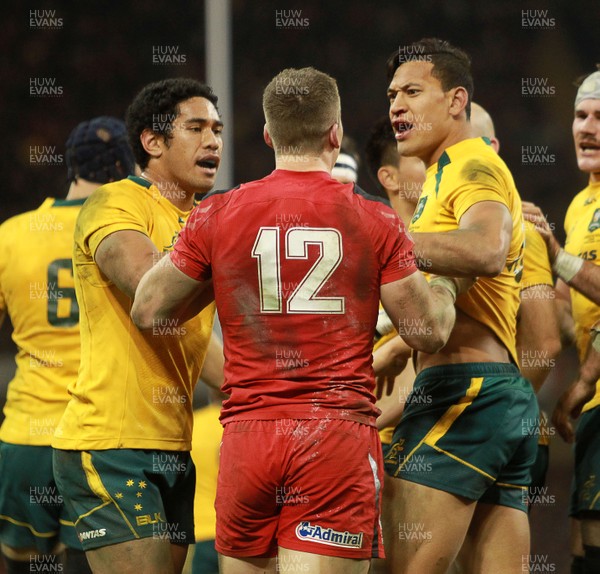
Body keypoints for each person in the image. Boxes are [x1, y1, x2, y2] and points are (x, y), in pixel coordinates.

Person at [131, 66, 472, 574]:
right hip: (333, 439)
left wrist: (222, 274)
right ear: (335, 133)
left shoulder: (219, 214)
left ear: (268, 135)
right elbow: (426, 330)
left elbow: (149, 309)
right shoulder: (373, 218)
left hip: (248, 437)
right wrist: (447, 284)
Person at [51, 79, 224, 574]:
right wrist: (228, 253)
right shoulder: (115, 203)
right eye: (195, 128)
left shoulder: (203, 219)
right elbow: (152, 295)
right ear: (152, 142)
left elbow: (198, 345)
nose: (213, 140)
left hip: (174, 445)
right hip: (110, 443)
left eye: (217, 129)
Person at [382, 38, 537, 573]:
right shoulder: (442, 175)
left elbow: (487, 248)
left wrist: (384, 241)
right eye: (392, 95)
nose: (396, 105)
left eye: (413, 92)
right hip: (495, 395)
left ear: (456, 100)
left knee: (398, 565)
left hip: (464, 394)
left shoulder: (472, 165)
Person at [0, 117, 136, 574]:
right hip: (103, 440)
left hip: (28, 435)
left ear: (71, 165)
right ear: (127, 169)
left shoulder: (12, 234)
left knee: (22, 565)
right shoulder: (133, 237)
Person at [523, 68, 600, 573]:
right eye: (579, 115)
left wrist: (556, 255)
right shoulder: (579, 206)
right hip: (594, 409)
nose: (586, 127)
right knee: (582, 557)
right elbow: (573, 319)